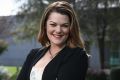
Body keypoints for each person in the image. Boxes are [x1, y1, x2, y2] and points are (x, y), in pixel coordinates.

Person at [17, 1, 88, 80]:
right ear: (45, 25)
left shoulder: (78, 56)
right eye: (53, 24)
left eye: (64, 26)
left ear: (71, 28)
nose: (58, 30)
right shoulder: (33, 54)